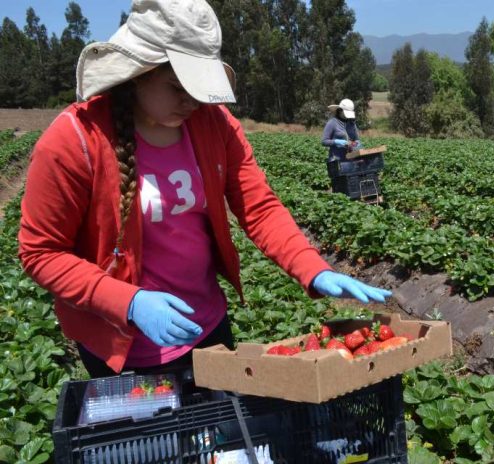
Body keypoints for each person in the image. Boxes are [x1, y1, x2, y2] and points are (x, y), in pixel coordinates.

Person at [17, 0, 391, 379]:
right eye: (178, 87)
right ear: (138, 73)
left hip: (207, 329)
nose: (192, 101)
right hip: (123, 347)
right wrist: (128, 302)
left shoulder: (215, 125)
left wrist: (312, 267)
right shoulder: (75, 140)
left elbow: (258, 207)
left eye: (198, 88)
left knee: (218, 435)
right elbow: (40, 253)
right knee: (151, 439)